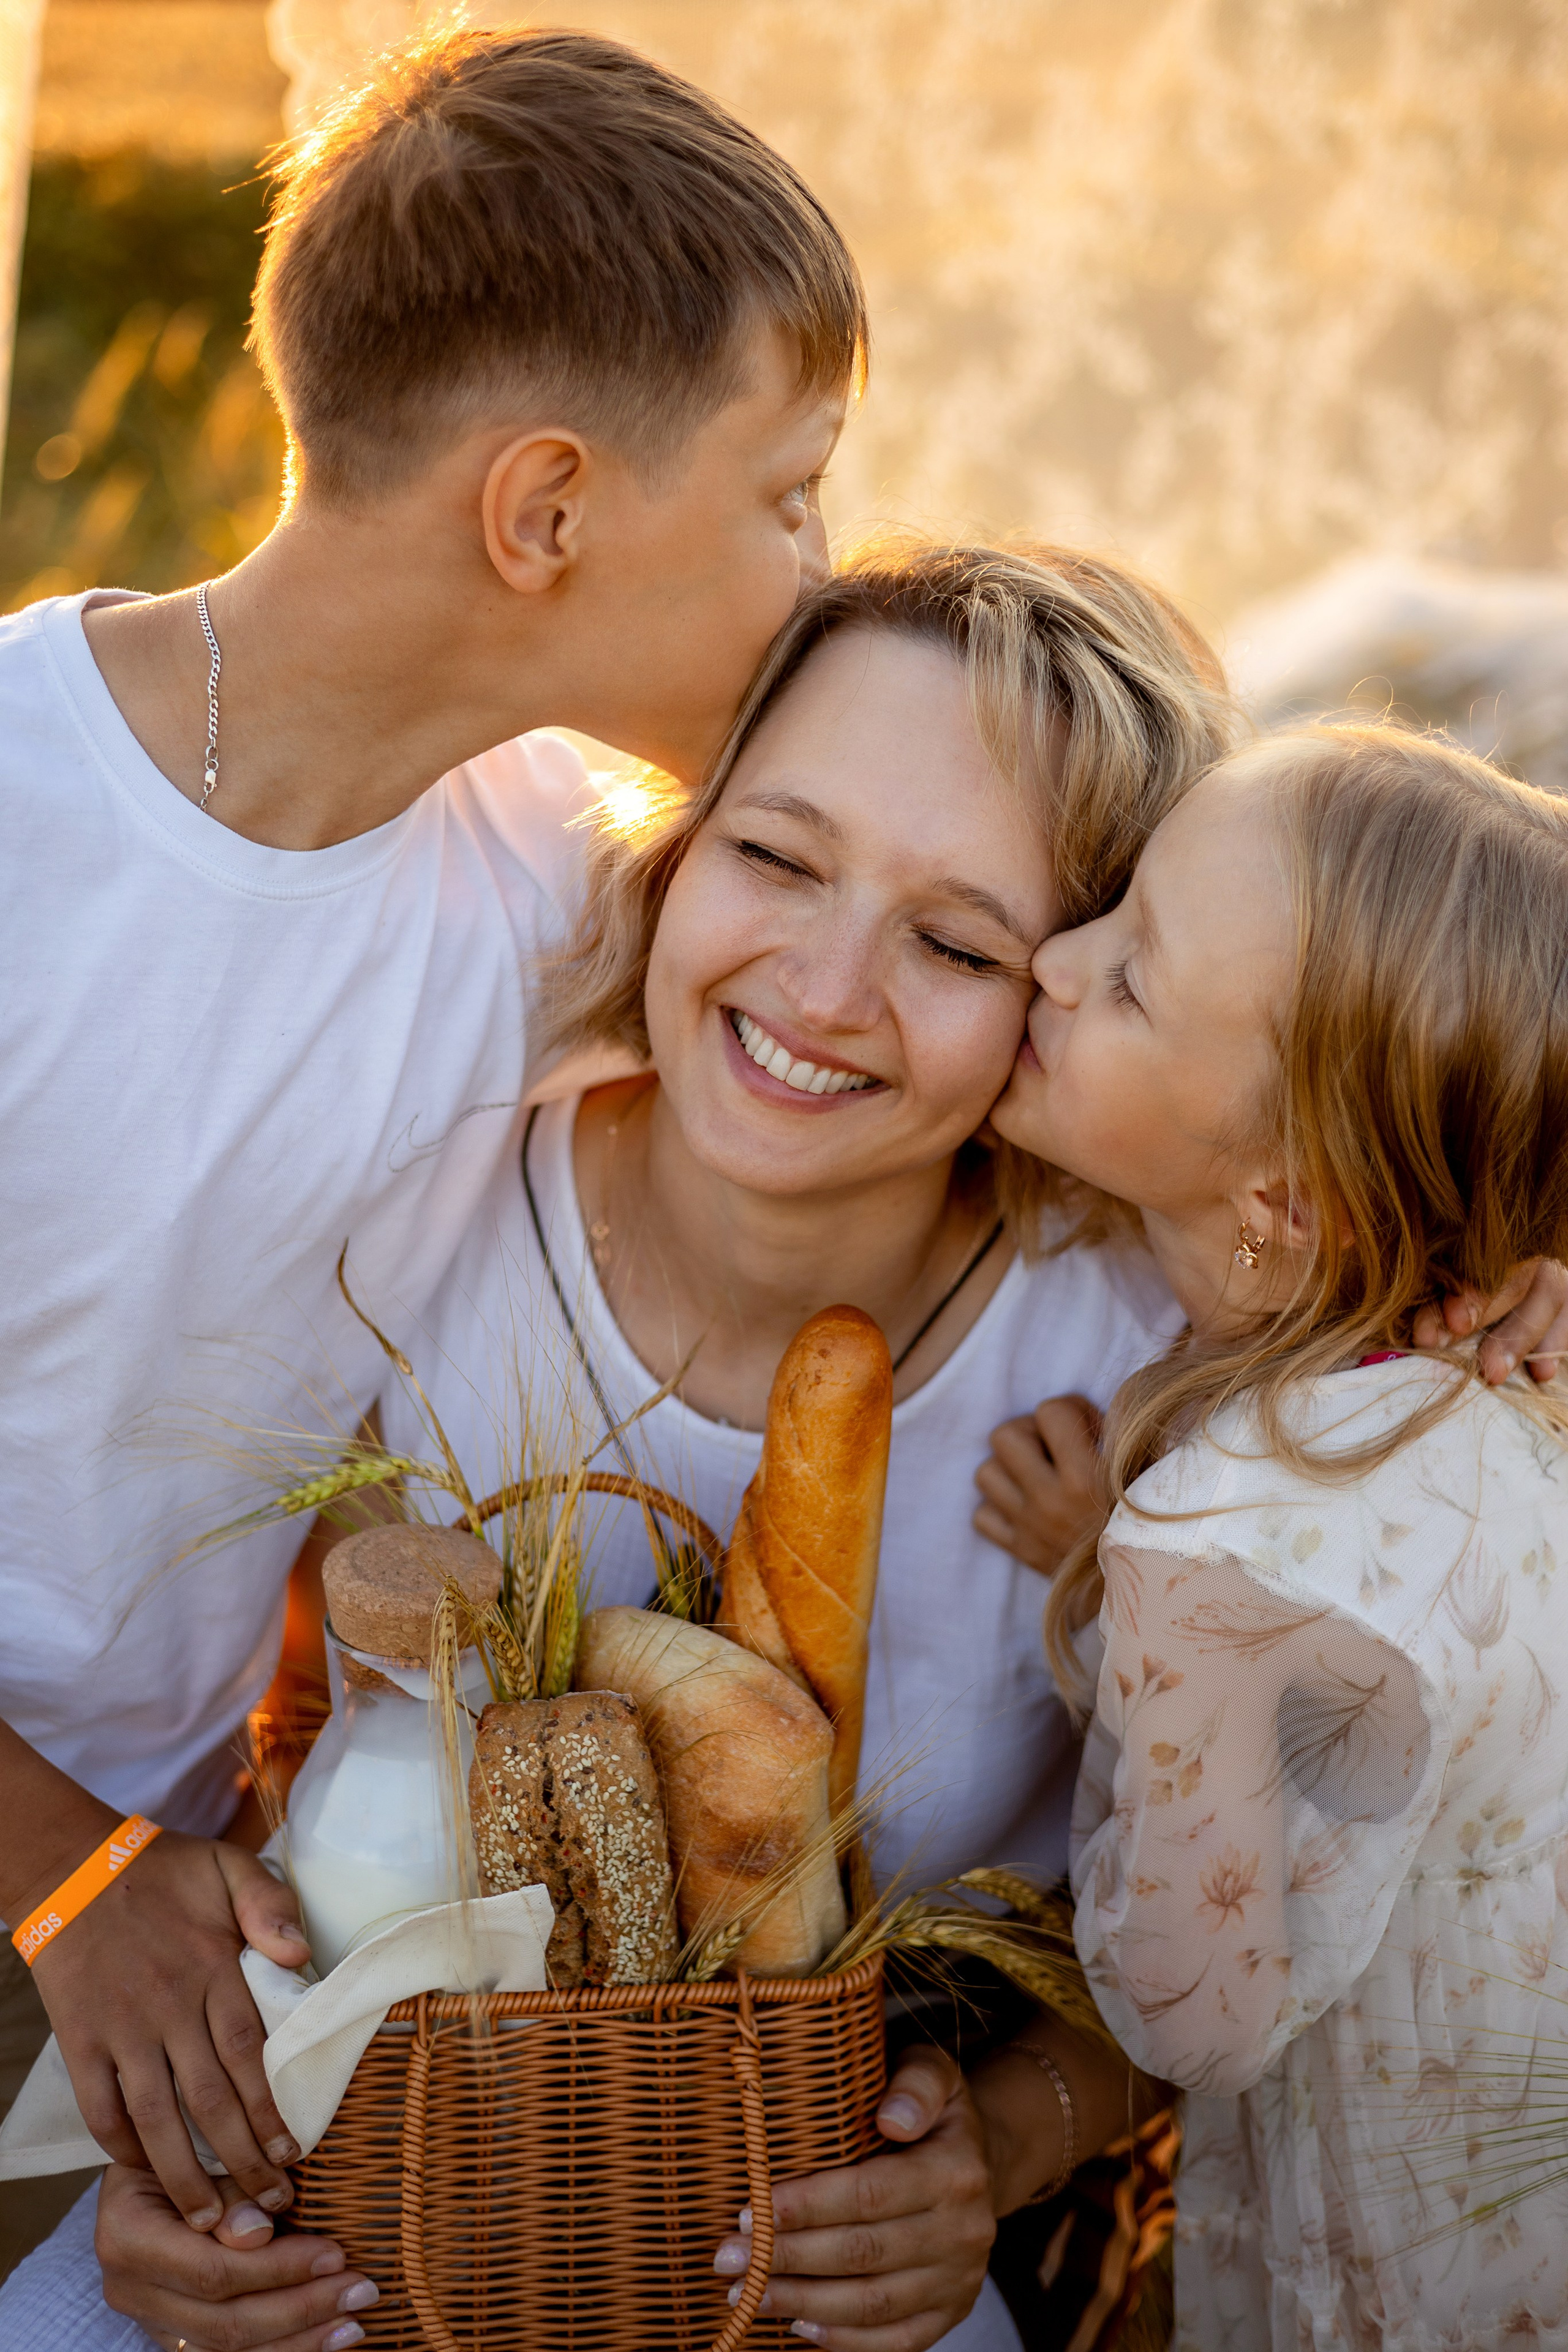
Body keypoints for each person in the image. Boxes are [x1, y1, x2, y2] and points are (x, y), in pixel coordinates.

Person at [70, 548, 1568, 2352]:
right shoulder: (406, 1208)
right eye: (774, 857)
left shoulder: (1178, 1366)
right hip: (374, 2232)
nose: (829, 987)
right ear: (677, 844)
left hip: (826, 2288)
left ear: (1086, 1002)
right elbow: (285, 1793)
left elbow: (1212, 1933)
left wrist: (998, 2149)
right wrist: (185, 2198)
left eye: (957, 942)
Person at [0, 14, 864, 2318]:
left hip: (164, 1928)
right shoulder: (15, 830)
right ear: (548, 512)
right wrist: (65, 1878)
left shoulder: (550, 896)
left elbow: (979, 1013)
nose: (824, 571)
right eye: (792, 495)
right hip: (66, 1888)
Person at [988, 722, 1568, 2345]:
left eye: (1128, 983)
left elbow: (1199, 2008)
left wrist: (1132, 1640)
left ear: (1286, 1204)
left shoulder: (1216, 1545)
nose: (1051, 954)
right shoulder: (1513, 1397)